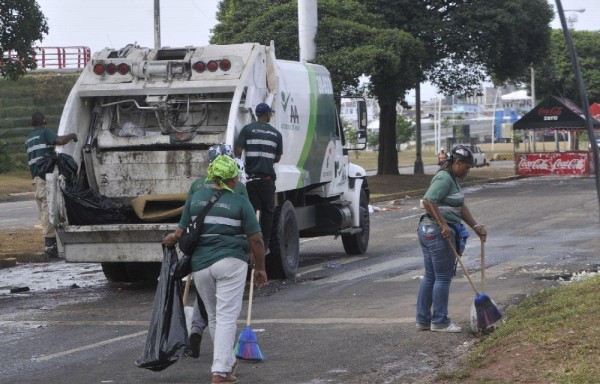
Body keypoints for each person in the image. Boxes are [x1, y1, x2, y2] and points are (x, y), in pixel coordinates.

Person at [163, 155, 268, 384]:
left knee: (214, 316)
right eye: (235, 178)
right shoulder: (240, 201)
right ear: (230, 178)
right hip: (231, 262)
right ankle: (220, 371)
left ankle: (226, 367)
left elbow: (181, 233)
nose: (236, 182)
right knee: (227, 317)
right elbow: (257, 239)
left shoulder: (196, 197)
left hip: (201, 266)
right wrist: (260, 267)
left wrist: (170, 239)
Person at [187, 144, 250, 359]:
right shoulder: (238, 187)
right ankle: (224, 361)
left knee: (207, 298)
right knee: (223, 310)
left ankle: (196, 328)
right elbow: (247, 222)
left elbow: (186, 221)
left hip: (200, 252)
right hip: (229, 254)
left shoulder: (196, 186)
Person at [416, 145, 487, 333]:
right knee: (442, 277)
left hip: (429, 230)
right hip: (435, 232)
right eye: (466, 167)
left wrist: (475, 226)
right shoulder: (444, 178)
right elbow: (428, 201)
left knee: (431, 276)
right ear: (456, 162)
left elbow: (460, 206)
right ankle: (440, 321)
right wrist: (443, 225)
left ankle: (423, 320)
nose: (468, 170)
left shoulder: (453, 179)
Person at [25, 111, 78, 258]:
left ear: (31, 124)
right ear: (44, 121)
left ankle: (50, 242)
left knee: (43, 209)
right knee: (48, 207)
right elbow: (60, 141)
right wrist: (72, 136)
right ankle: (50, 244)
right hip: (44, 177)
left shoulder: (28, 139)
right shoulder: (45, 132)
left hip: (35, 178)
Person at [235, 102, 283, 254]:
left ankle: (250, 243)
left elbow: (237, 151)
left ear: (257, 114)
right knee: (268, 212)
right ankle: (265, 245)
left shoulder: (247, 130)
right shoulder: (276, 134)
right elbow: (277, 158)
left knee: (251, 212)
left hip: (251, 180)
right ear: (267, 114)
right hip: (267, 180)